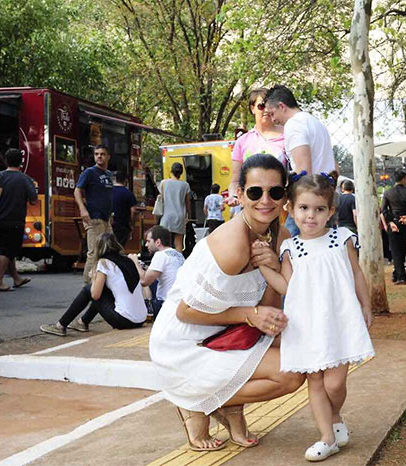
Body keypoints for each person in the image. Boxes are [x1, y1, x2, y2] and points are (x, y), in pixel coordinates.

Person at [149, 154, 304, 452]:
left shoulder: (280, 235)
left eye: (275, 192)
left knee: (301, 361)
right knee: (290, 374)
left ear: (285, 196)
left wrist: (270, 268)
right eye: (256, 192)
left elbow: (269, 306)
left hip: (229, 336)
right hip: (185, 342)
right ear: (241, 194)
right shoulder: (233, 245)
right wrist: (252, 314)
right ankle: (195, 403)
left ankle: (228, 404)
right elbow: (186, 311)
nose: (266, 201)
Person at [256, 173, 374, 462]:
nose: (311, 216)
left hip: (338, 321)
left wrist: (365, 304)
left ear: (330, 212)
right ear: (291, 209)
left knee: (334, 383)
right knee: (316, 382)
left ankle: (334, 415)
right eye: (304, 208)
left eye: (319, 209)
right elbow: (287, 286)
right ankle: (326, 437)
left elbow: (357, 273)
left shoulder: (342, 239)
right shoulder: (290, 248)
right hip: (305, 323)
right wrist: (262, 267)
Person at [40, 233, 146, 336]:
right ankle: (83, 322)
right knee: (102, 289)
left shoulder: (104, 262)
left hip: (124, 320)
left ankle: (61, 325)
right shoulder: (127, 260)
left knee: (88, 290)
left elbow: (95, 295)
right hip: (141, 319)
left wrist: (94, 278)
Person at [227, 88, 285, 205]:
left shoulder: (288, 136)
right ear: (252, 108)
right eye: (261, 106)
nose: (266, 110)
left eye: (270, 105)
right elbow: (235, 180)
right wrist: (234, 196)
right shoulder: (242, 141)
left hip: (281, 206)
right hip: (253, 207)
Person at [263, 85, 335, 175]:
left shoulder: (293, 125)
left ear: (281, 106)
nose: (273, 119)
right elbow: (334, 168)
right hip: (327, 186)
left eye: (272, 113)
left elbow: (304, 171)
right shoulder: (316, 123)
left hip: (310, 187)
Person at [0, 148, 37, 291]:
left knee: (5, 249)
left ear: (6, 161)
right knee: (7, 250)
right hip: (15, 220)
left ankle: (16, 278)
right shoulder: (26, 179)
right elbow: (33, 200)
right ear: (21, 162)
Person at [75, 145, 114, 283]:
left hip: (106, 219)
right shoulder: (90, 172)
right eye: (96, 154)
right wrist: (82, 209)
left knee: (109, 251)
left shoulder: (109, 175)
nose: (99, 156)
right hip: (94, 217)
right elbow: (77, 190)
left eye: (102, 154)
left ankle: (102, 281)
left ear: (108, 156)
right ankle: (88, 285)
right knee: (94, 252)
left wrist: (111, 215)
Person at [129, 225, 184, 317]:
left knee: (141, 282)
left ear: (158, 242)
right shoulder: (178, 255)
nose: (146, 245)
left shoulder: (160, 255)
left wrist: (135, 262)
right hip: (180, 303)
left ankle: (148, 310)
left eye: (148, 241)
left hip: (166, 305)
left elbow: (144, 281)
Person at [381, 168, 406, 285]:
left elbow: (383, 210)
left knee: (396, 250)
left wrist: (390, 221)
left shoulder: (388, 193)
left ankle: (400, 275)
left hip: (394, 223)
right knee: (402, 249)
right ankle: (398, 274)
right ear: (403, 179)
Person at [159, 163, 191, 253]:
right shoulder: (185, 185)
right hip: (180, 215)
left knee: (165, 242)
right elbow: (188, 203)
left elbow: (162, 199)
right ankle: (179, 263)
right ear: (181, 173)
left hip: (167, 215)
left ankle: (166, 261)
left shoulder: (164, 183)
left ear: (171, 171)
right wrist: (188, 215)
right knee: (178, 243)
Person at [111, 171, 139, 247]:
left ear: (115, 179)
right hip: (123, 225)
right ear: (125, 180)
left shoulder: (108, 192)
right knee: (120, 246)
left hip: (109, 223)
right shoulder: (128, 193)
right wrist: (132, 224)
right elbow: (133, 210)